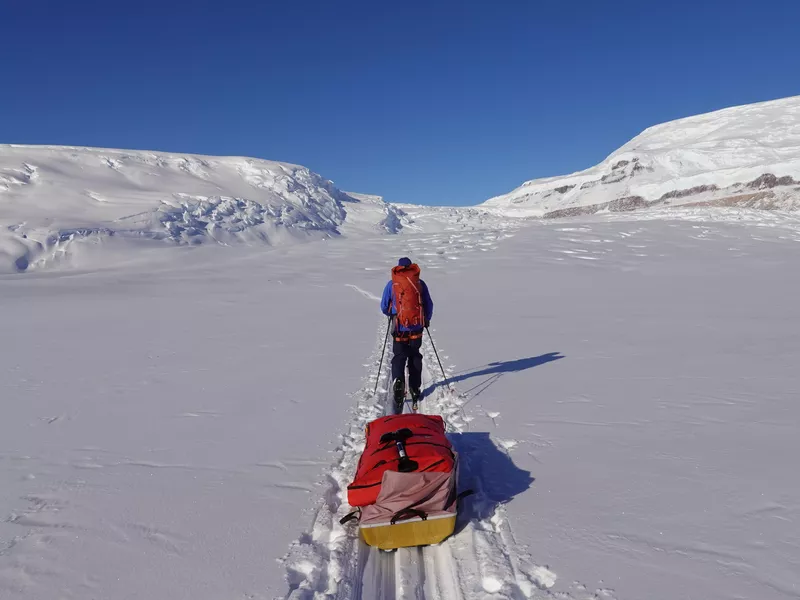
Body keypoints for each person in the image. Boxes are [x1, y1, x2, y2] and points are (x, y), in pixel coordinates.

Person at [380, 257, 434, 407]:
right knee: (415, 356)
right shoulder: (419, 284)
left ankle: (398, 382)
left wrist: (392, 314)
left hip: (399, 328)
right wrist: (426, 319)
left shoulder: (392, 284)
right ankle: (415, 387)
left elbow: (384, 306)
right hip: (416, 327)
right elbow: (428, 304)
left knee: (399, 357)